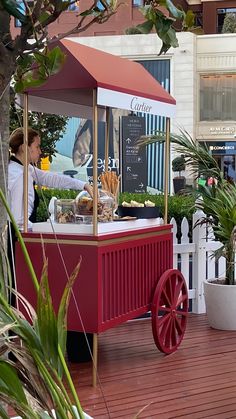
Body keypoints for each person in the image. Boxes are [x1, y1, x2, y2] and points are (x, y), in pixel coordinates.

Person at [8, 127, 93, 362]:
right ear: (25, 148)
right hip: (17, 239)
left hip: (17, 237)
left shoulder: (23, 169)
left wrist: (83, 185)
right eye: (36, 146)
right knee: (18, 290)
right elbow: (18, 219)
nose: (39, 151)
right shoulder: (20, 176)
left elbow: (51, 178)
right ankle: (19, 346)